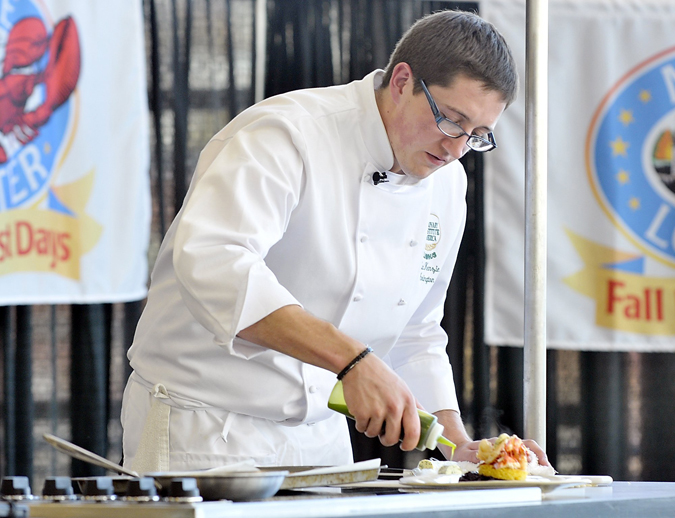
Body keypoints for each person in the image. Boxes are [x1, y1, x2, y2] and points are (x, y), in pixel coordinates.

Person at [121, 9, 549, 472]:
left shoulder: (446, 185)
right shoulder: (288, 134)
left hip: (322, 442)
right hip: (204, 426)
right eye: (450, 119)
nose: (455, 149)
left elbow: (416, 332)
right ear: (403, 81)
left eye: (477, 135)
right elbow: (214, 263)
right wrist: (353, 361)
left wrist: (455, 443)